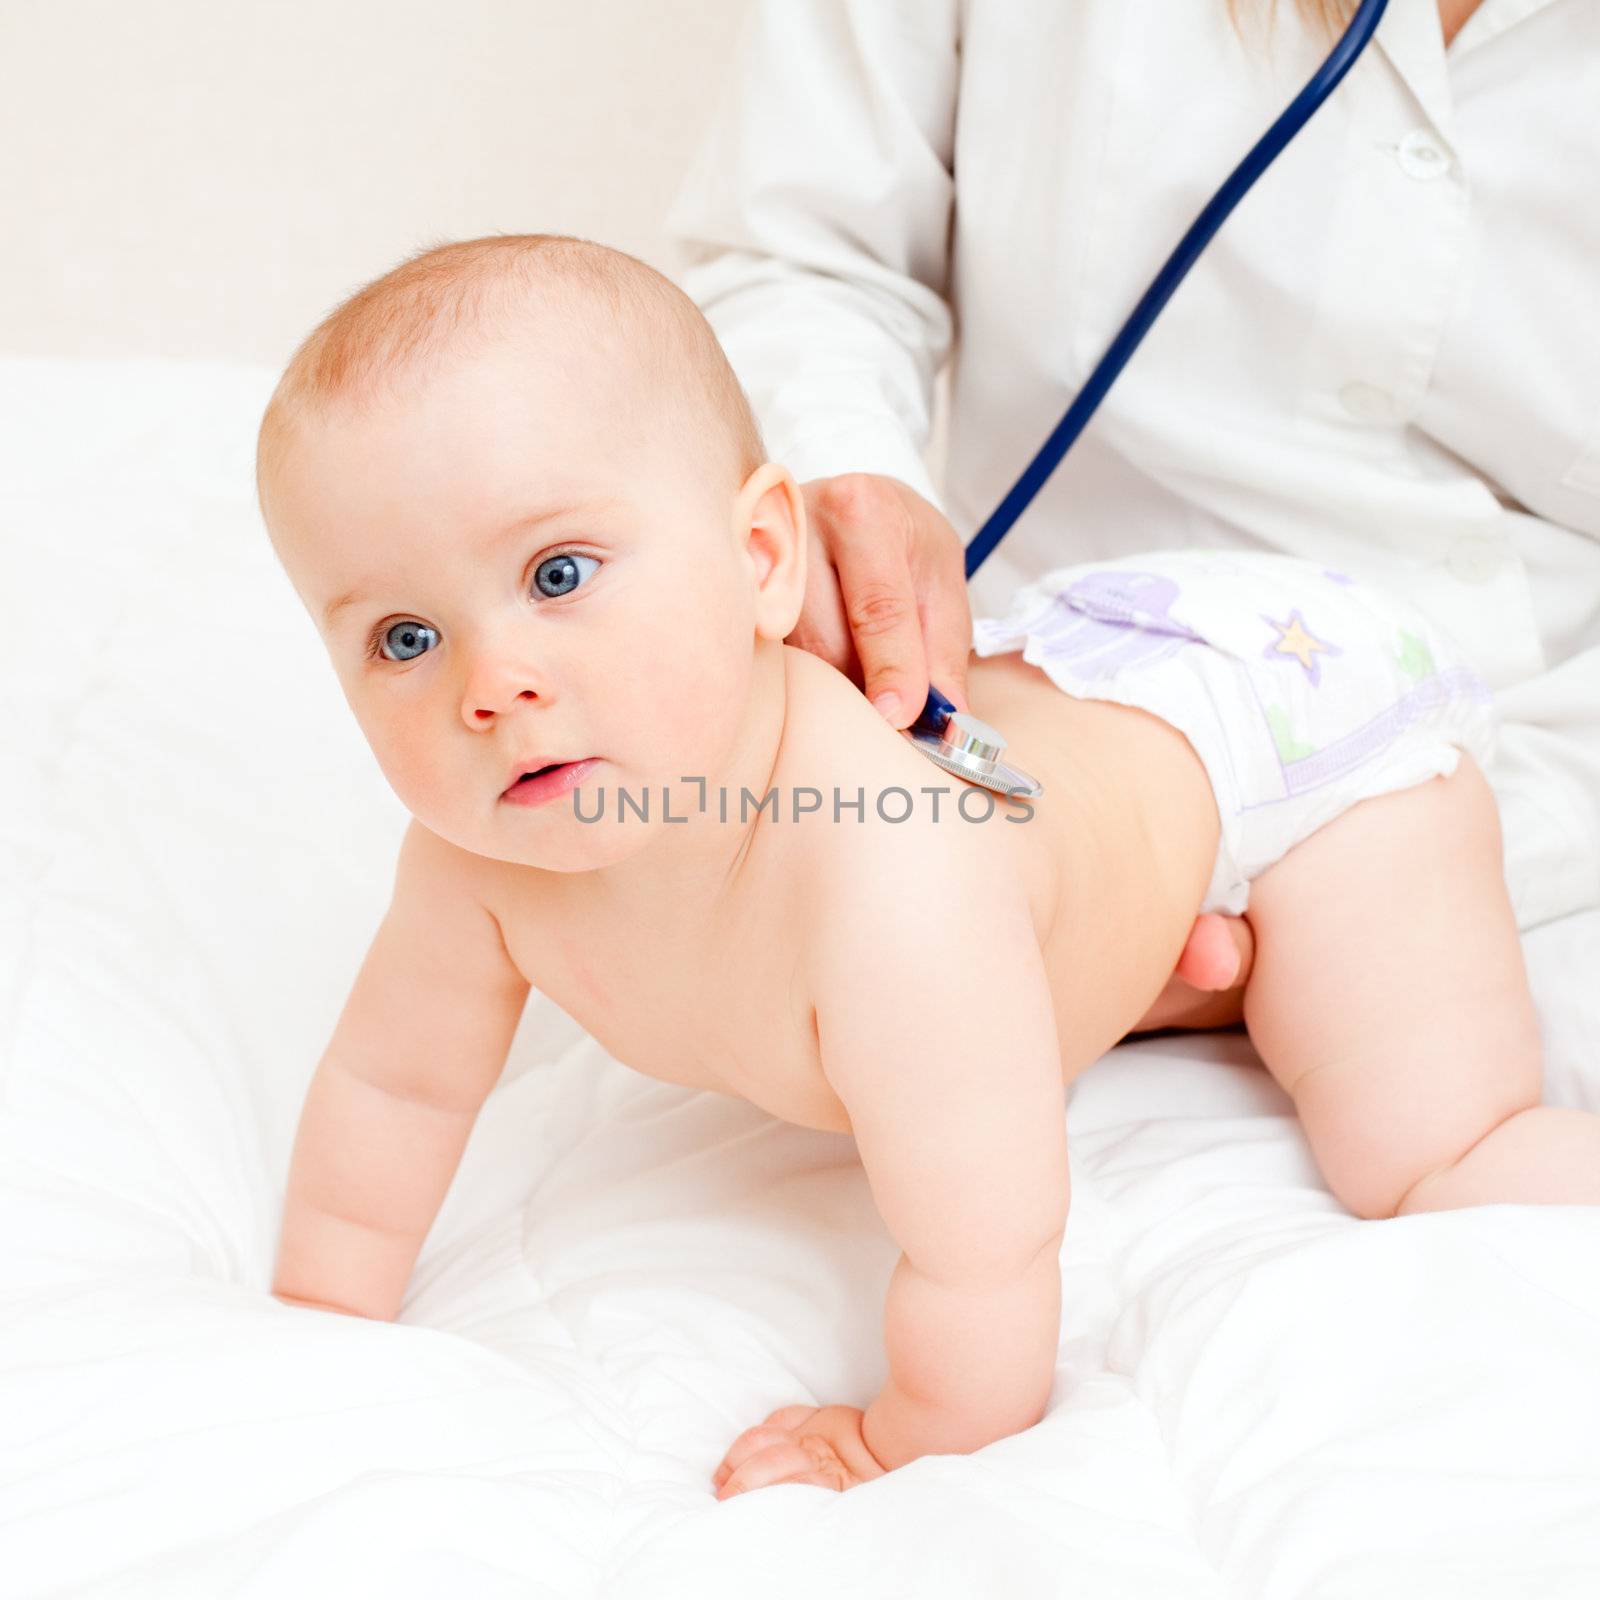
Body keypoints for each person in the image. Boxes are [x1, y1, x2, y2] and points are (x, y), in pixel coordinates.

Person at [255, 235, 1600, 1502]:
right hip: (1071, 741)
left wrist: (909, 1434)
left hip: (1280, 730)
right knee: (1061, 916)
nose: (492, 684)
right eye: (403, 640)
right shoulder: (475, 855)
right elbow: (397, 1082)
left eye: (558, 573)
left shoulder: (882, 869)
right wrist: (316, 1319)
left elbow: (991, 1238)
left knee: (1415, 1152)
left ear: (762, 560)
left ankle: (1308, 1002)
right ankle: (1156, 948)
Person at [662, 0, 1600, 982]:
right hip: (1055, 773)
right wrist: (846, 506)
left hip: (1553, 811)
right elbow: (803, 257)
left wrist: (1383, 889)